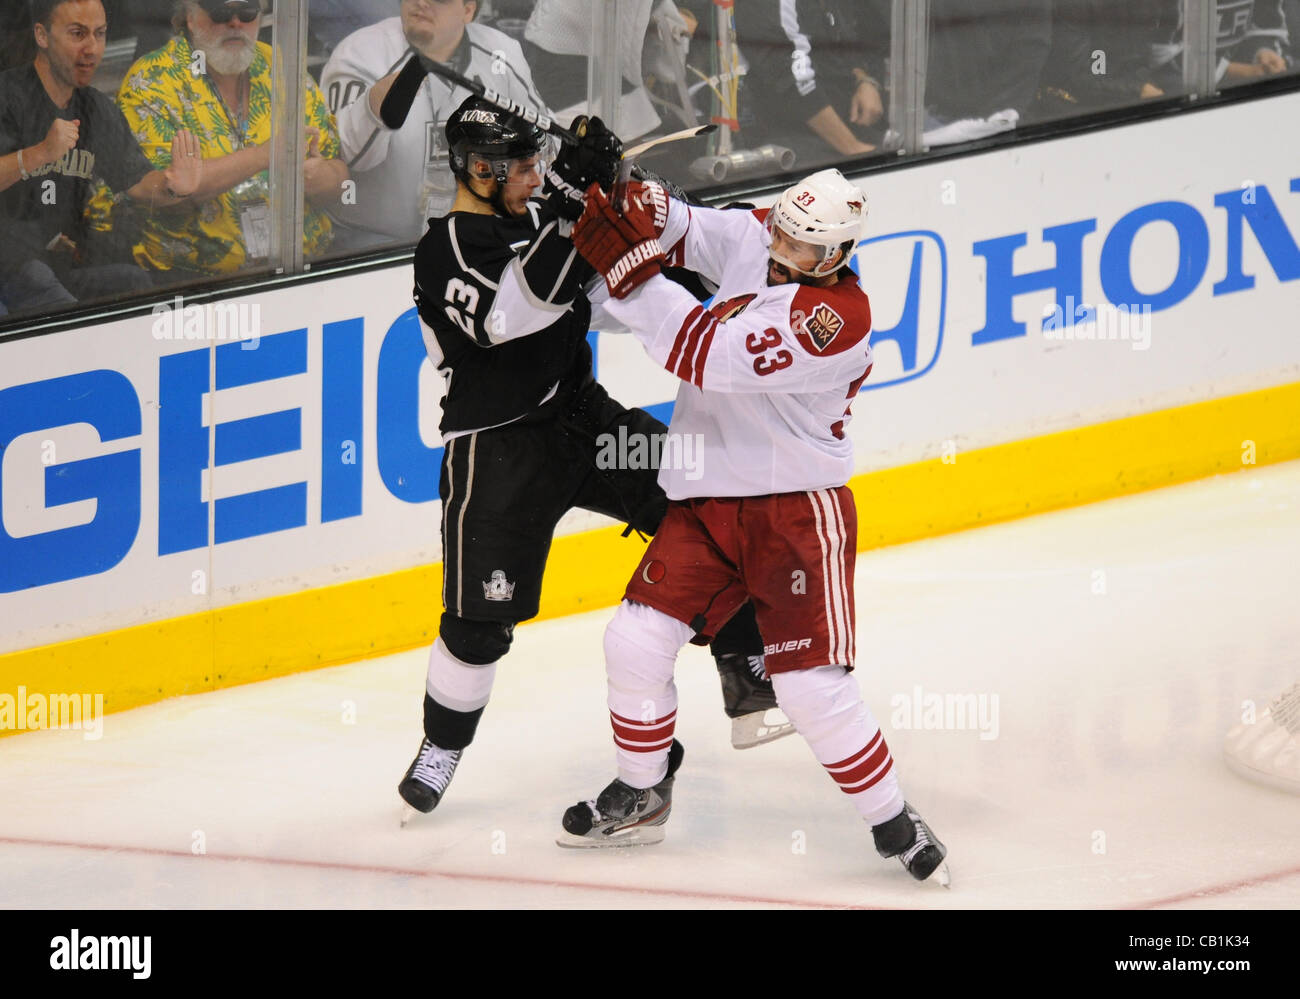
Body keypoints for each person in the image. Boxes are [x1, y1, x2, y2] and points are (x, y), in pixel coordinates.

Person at [396, 94, 786, 819]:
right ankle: (442, 743)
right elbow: (514, 313)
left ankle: (743, 662)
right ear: (478, 169)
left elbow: (607, 294)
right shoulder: (446, 247)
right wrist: (574, 205)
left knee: (703, 499)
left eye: (541, 164)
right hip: (498, 451)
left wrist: (650, 230)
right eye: (522, 167)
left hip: (584, 420)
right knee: (478, 625)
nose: (535, 176)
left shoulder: (543, 220)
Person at [556, 168, 949, 883]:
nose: (782, 250)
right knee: (634, 640)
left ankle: (893, 818)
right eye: (783, 234)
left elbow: (697, 351)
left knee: (809, 689)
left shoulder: (830, 322)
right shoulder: (766, 233)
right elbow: (690, 228)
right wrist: (637, 202)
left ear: (836, 256)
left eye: (803, 247)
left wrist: (629, 269)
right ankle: (643, 791)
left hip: (794, 511)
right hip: (707, 501)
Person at [110, 0, 346, 279]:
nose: (235, 23)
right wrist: (265, 155)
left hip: (301, 268)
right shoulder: (151, 80)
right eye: (220, 13)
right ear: (189, 17)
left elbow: (341, 180)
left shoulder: (281, 66)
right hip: (193, 281)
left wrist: (318, 178)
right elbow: (155, 191)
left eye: (247, 12)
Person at [0, 0, 202, 313]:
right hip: (9, 268)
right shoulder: (8, 95)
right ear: (41, 35)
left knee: (131, 283)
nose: (92, 48)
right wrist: (39, 154)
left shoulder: (95, 108)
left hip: (52, 266)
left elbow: (136, 181)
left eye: (100, 34)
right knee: (43, 287)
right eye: (77, 34)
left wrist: (172, 185)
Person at [321, 0, 546, 251]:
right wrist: (373, 109)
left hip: (468, 236)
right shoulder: (358, 53)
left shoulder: (501, 51)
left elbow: (544, 144)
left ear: (468, 10)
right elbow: (343, 163)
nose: (421, 2)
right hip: (368, 242)